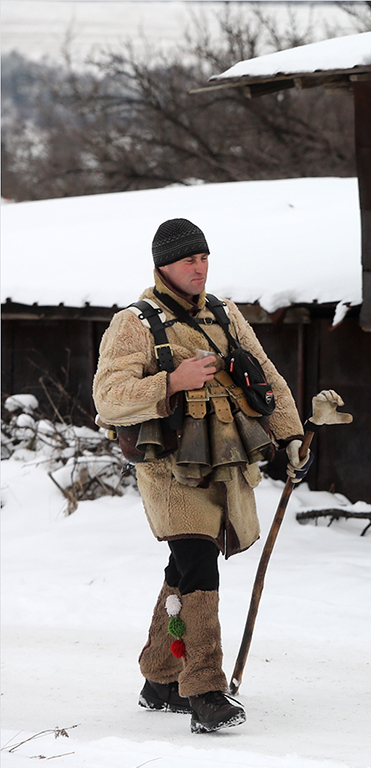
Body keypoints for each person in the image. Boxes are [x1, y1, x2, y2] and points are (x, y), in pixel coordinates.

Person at [93, 218, 310, 733]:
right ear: (162, 264)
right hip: (168, 468)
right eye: (190, 259)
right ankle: (204, 689)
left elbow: (266, 374)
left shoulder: (225, 313)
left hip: (226, 459)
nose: (200, 267)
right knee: (197, 563)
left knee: (185, 567)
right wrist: (172, 380)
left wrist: (291, 434)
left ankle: (159, 676)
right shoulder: (134, 323)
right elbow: (108, 397)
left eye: (204, 257)